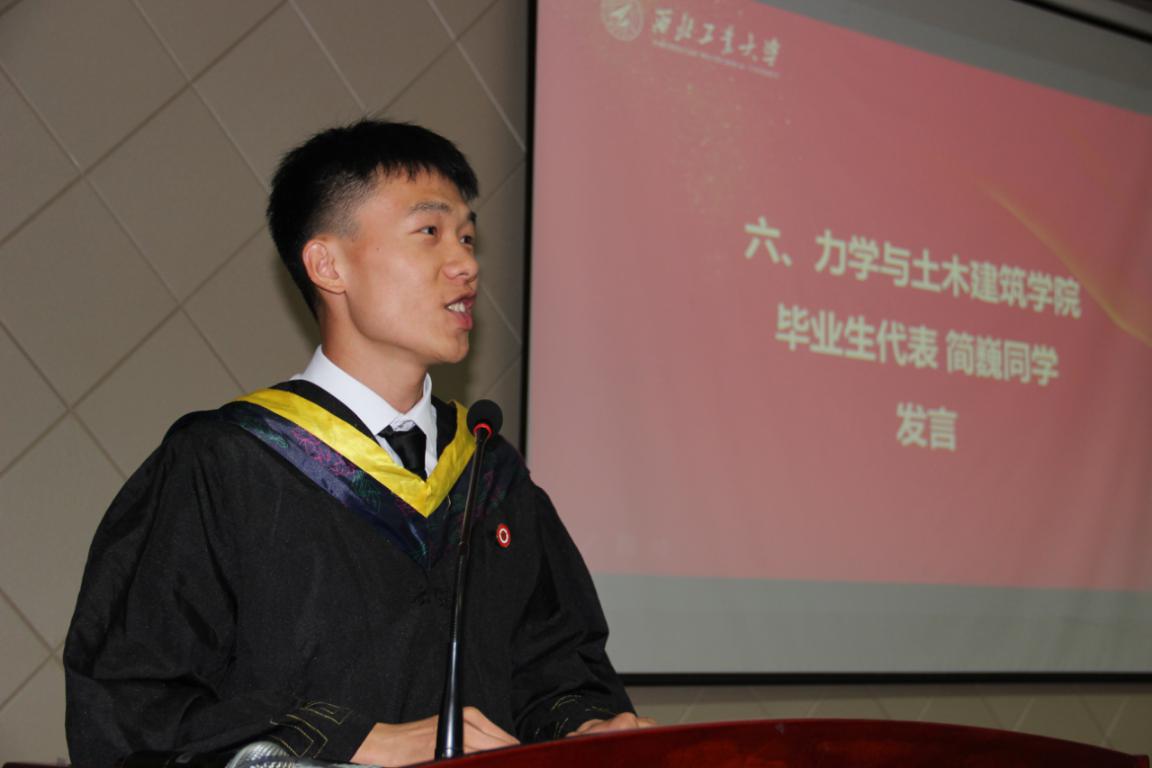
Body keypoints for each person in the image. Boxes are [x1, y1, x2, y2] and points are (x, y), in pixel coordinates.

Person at [64, 120, 652, 768]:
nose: (466, 264)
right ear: (328, 265)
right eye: (429, 232)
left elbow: (556, 671)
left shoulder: (490, 471)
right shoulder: (224, 465)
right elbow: (134, 708)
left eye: (467, 237)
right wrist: (355, 740)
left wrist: (584, 725)